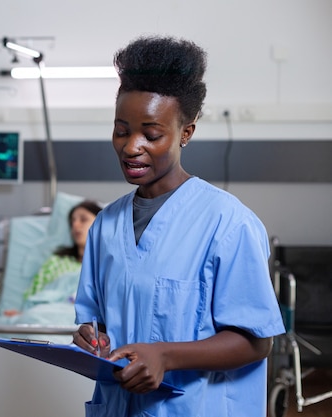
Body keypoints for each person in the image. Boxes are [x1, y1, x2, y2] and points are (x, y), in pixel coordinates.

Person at [73, 35, 285, 416]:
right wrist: (94, 340)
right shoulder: (106, 225)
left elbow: (257, 342)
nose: (130, 146)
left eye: (152, 134)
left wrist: (165, 356)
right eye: (121, 130)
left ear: (185, 133)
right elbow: (98, 321)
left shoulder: (228, 224)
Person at [3, 200, 102, 317]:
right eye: (72, 222)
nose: (76, 225)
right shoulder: (57, 262)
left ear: (101, 224)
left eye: (83, 220)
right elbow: (35, 297)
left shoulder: (108, 264)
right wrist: (23, 314)